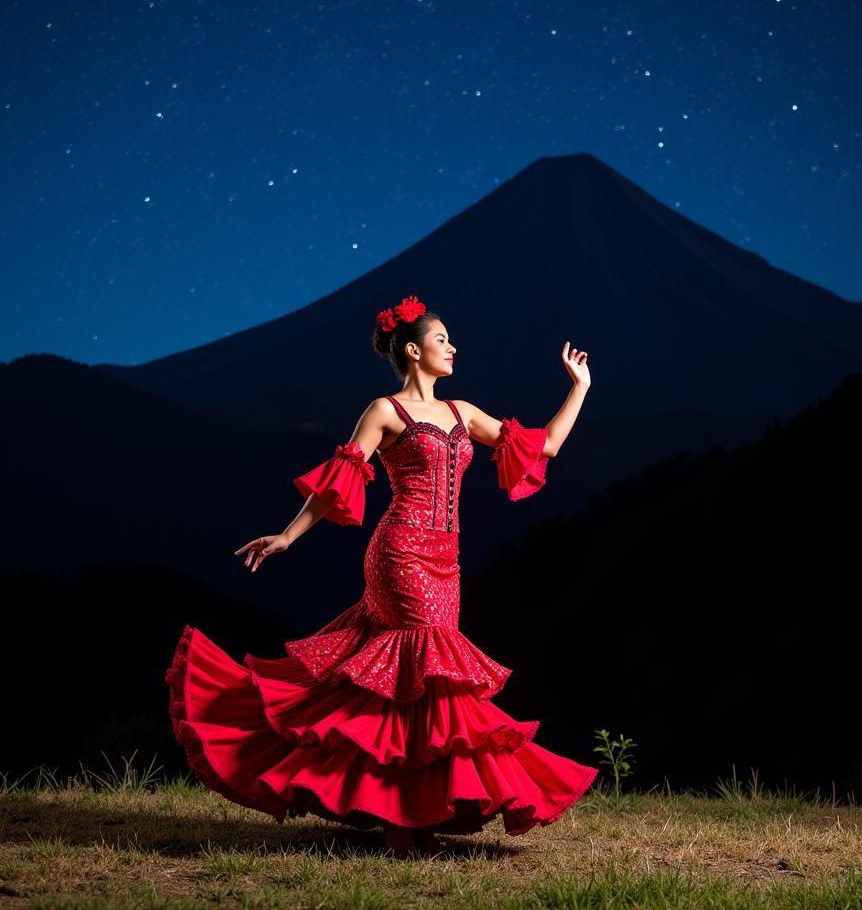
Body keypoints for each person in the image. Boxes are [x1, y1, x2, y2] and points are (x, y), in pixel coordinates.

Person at [165, 293, 597, 858]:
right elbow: (339, 480)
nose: (454, 347)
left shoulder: (463, 412)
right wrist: (288, 536)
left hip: (447, 564)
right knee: (411, 669)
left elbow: (547, 446)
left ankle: (414, 818)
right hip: (399, 556)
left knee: (424, 686)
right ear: (414, 351)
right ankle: (400, 827)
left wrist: (579, 387)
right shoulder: (385, 412)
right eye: (444, 340)